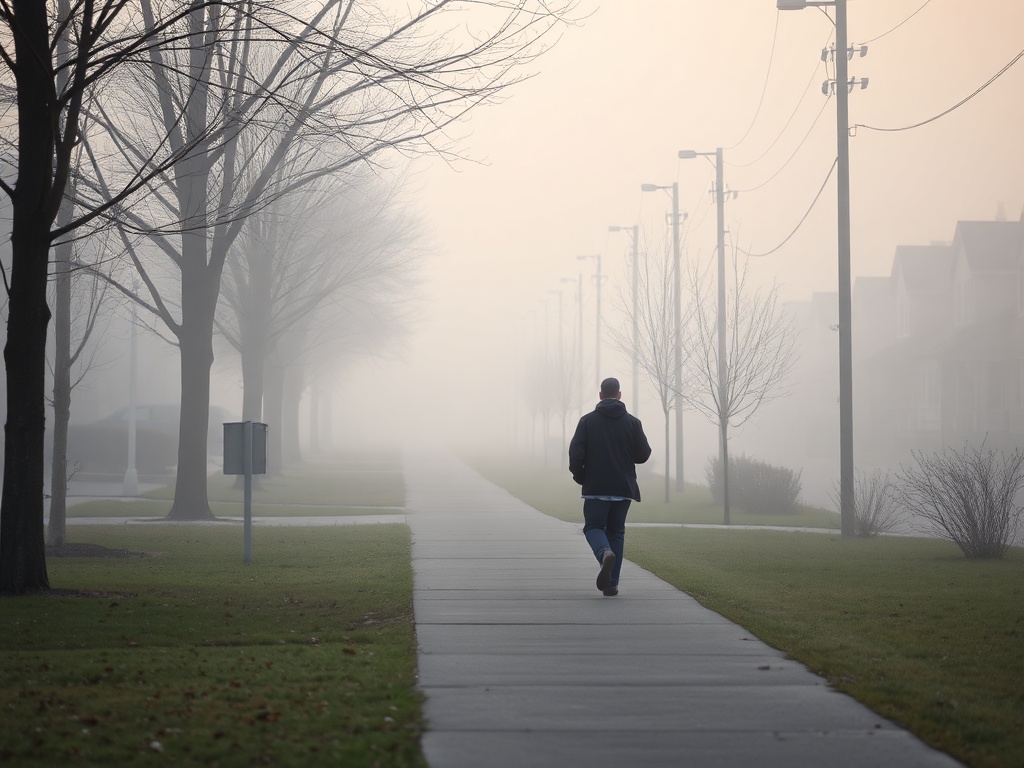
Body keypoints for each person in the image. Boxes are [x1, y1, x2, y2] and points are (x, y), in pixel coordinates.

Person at [567, 377, 652, 597]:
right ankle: (612, 583)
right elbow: (643, 455)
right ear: (620, 395)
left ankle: (604, 553)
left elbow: (576, 453)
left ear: (601, 395)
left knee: (593, 527)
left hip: (596, 486)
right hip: (623, 487)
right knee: (617, 532)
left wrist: (581, 476)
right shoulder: (633, 423)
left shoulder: (587, 422)